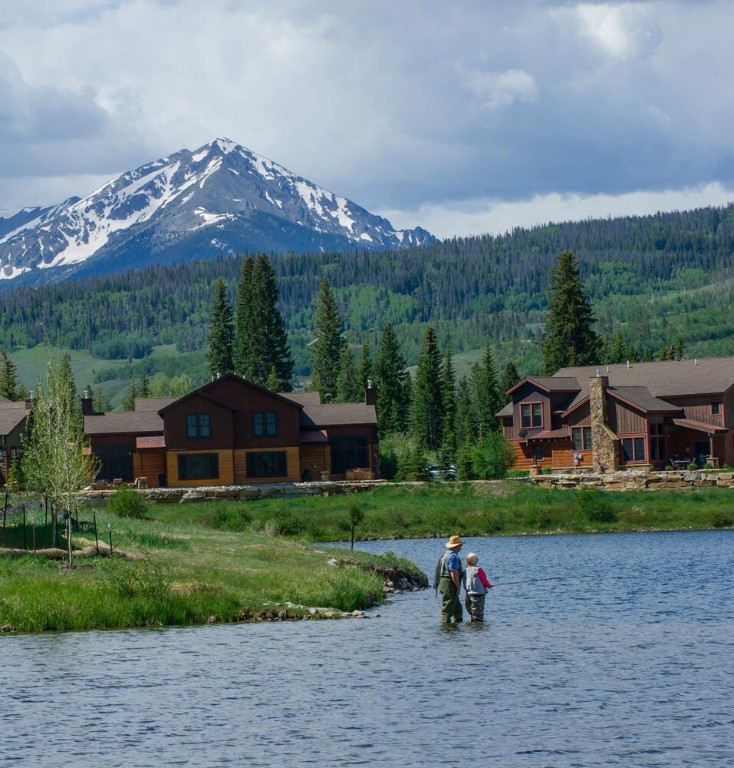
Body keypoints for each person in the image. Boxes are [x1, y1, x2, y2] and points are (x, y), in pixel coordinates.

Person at [435, 534, 464, 623]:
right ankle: (445, 628)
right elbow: (453, 573)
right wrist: (458, 587)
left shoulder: (445, 554)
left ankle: (456, 627)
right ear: (457, 546)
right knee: (448, 606)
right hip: (448, 582)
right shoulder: (454, 556)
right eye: (460, 545)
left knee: (457, 607)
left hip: (443, 581)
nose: (461, 547)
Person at [463, 552, 492, 622]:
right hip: (479, 594)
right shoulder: (479, 570)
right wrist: (489, 586)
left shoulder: (465, 571)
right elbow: (484, 581)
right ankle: (477, 628)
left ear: (467, 561)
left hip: (469, 594)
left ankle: (473, 627)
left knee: (471, 611)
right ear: (475, 561)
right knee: (478, 613)